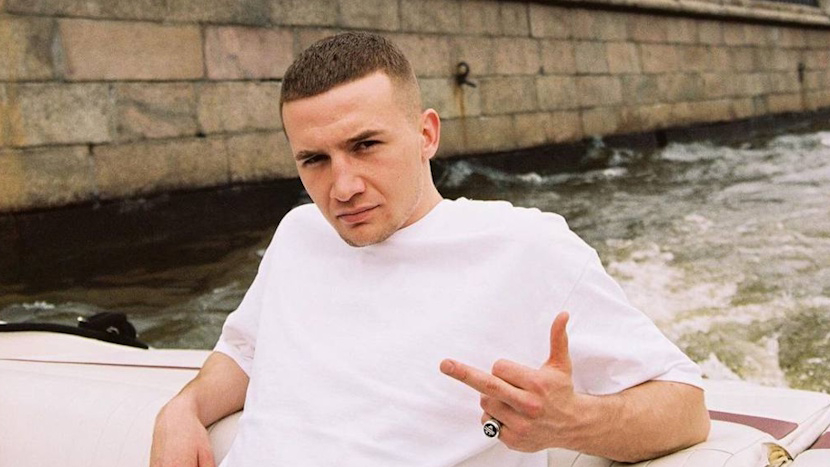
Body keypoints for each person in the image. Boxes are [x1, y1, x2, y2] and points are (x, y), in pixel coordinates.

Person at [150, 32, 710, 467]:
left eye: (365, 145)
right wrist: (184, 407)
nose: (342, 187)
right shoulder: (299, 232)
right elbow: (245, 353)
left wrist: (573, 421)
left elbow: (686, 408)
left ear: (426, 135)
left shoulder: (525, 247)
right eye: (314, 160)